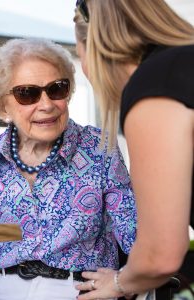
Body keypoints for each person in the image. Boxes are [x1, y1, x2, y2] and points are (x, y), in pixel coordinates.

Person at [0, 38, 136, 300]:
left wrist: (125, 281)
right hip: (7, 289)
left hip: (79, 291)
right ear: (3, 104)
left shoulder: (98, 149)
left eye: (56, 89)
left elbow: (136, 233)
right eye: (27, 93)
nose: (46, 104)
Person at [73, 1, 194, 299]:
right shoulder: (182, 64)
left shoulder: (154, 85)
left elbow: (160, 253)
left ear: (94, 48)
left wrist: (118, 282)